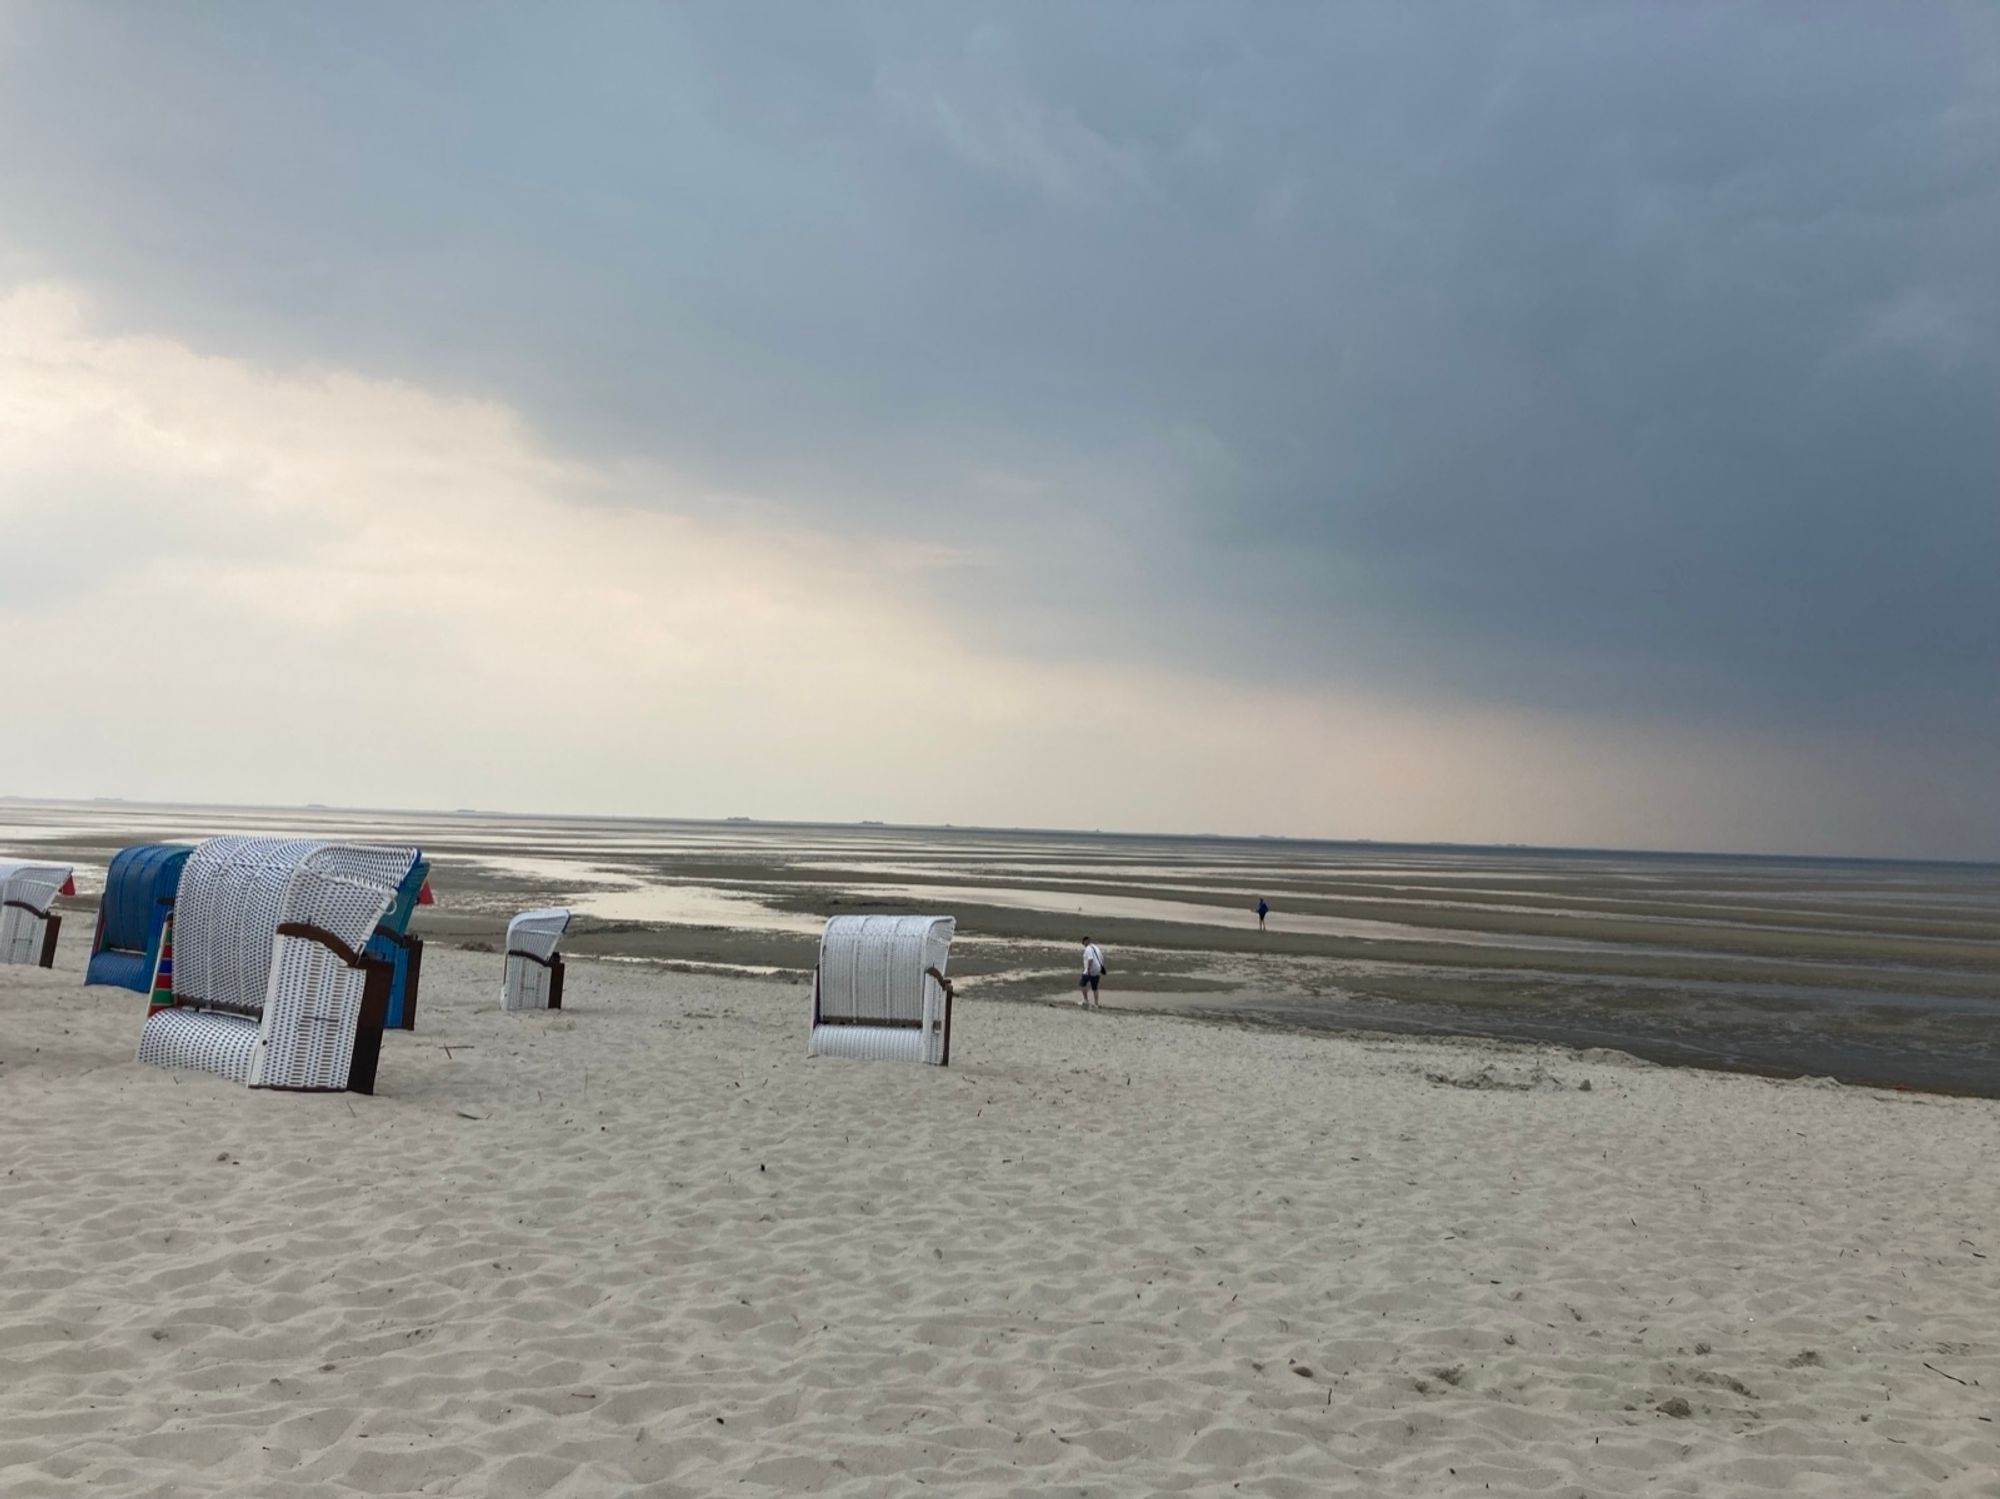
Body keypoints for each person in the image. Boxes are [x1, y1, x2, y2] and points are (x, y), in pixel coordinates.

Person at [1078, 936, 1105, 1009]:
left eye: (1083, 943)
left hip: (1090, 970)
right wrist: (1100, 968)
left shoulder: (1088, 949)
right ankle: (1096, 1004)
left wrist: (1088, 969)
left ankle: (1086, 1001)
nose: (1083, 944)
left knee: (1082, 984)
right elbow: (1101, 958)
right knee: (1095, 988)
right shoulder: (1096, 947)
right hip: (1098, 970)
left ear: (1086, 941)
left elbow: (1090, 959)